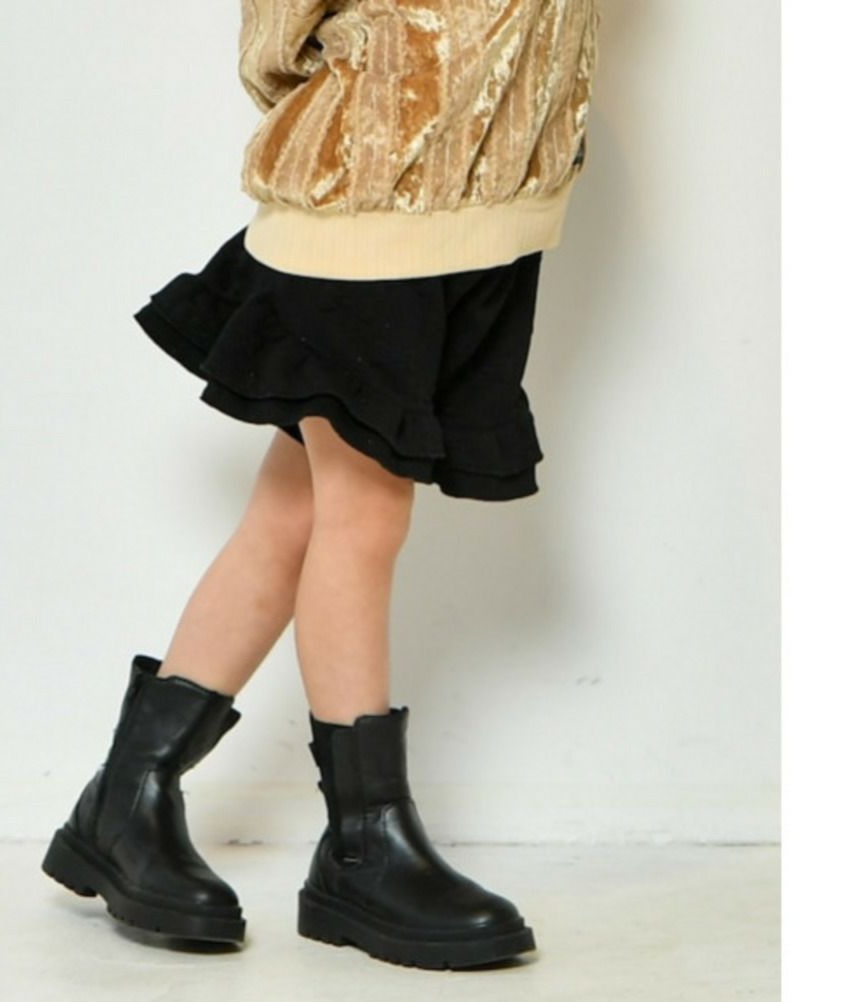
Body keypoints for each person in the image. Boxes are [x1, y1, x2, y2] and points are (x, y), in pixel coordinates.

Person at [42, 0, 600, 971]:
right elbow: (277, 31)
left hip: (502, 188)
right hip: (370, 186)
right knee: (365, 512)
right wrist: (380, 81)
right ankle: (363, 847)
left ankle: (124, 802)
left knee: (294, 511)